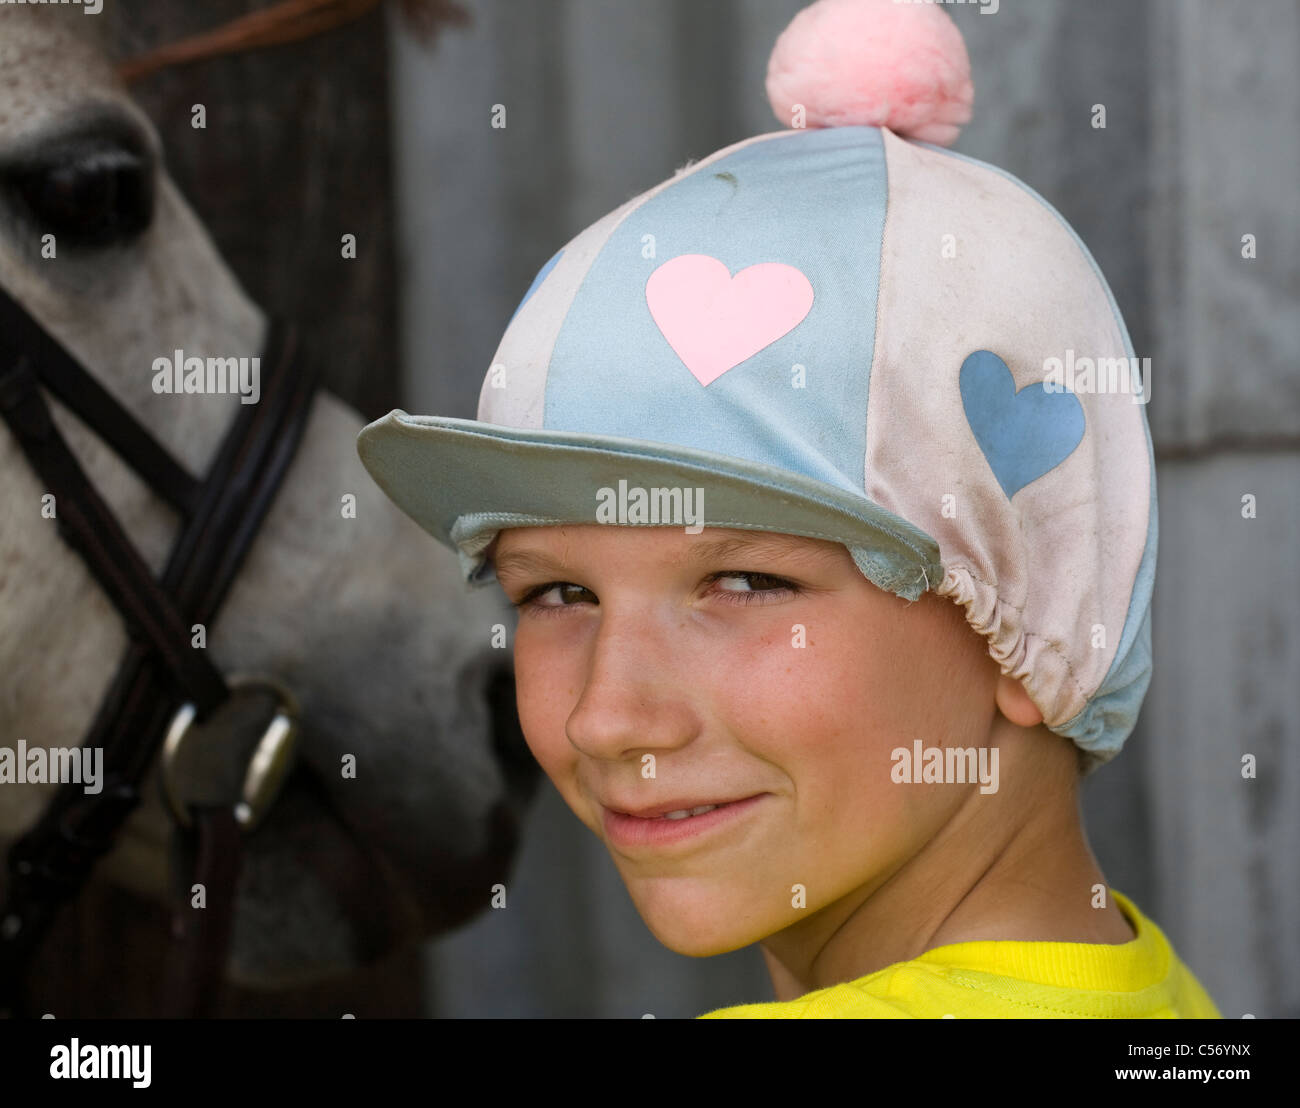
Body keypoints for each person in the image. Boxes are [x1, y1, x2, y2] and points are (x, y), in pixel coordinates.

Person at [357, 0, 1220, 1018]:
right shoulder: (1153, 1002)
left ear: (1033, 618)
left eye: (745, 580)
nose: (604, 716)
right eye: (555, 593)